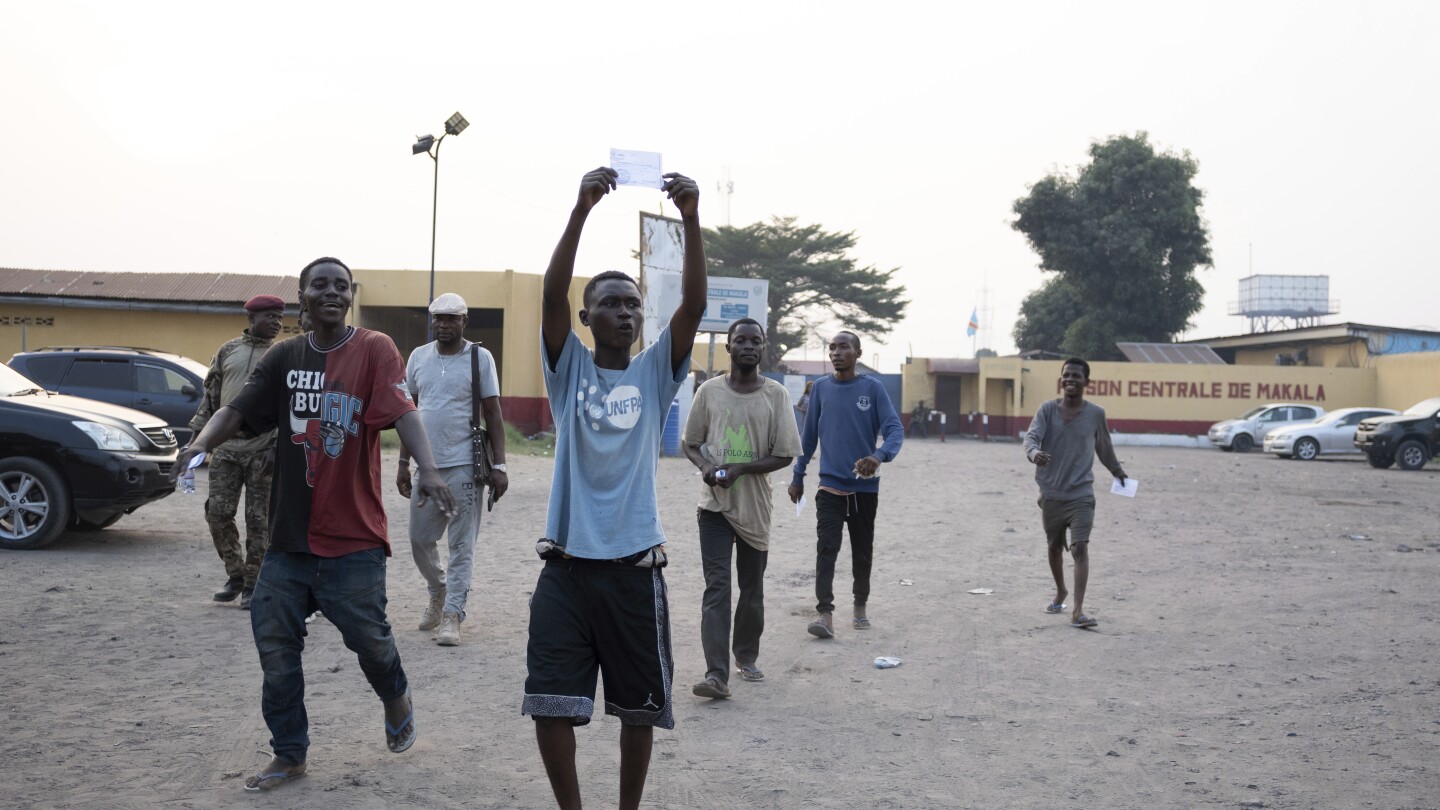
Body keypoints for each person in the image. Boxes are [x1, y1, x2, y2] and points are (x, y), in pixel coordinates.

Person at [172, 257, 456, 792]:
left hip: (353, 542)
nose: (331, 291)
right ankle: (290, 752)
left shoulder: (374, 349)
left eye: (341, 285)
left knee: (371, 644)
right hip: (288, 543)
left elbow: (403, 412)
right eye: (320, 284)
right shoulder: (283, 357)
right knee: (276, 650)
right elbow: (236, 410)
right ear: (301, 296)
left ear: (350, 296)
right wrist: (199, 445)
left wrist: (430, 471)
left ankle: (394, 693)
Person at [525, 167, 705, 810]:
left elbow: (693, 309)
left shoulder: (657, 373)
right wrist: (580, 209)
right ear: (586, 316)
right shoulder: (567, 367)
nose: (624, 312)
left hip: (633, 568)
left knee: (638, 709)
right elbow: (547, 298)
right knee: (550, 699)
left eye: (632, 303)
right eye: (610, 302)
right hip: (567, 568)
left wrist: (688, 219)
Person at [683, 318, 802, 699]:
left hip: (755, 507)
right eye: (740, 341)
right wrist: (706, 468)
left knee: (751, 588)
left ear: (763, 347)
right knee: (717, 588)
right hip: (714, 507)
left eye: (755, 341)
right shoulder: (709, 392)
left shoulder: (776, 395)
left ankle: (745, 655)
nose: (748, 346)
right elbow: (691, 443)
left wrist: (740, 469)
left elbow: (784, 454)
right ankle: (716, 675)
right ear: (729, 348)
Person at [396, 292, 509, 647]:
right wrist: (403, 462)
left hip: (466, 465)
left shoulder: (480, 357)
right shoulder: (418, 357)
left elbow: (493, 412)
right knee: (419, 539)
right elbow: (407, 412)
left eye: (451, 318)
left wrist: (501, 465)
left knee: (461, 545)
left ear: (464, 321)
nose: (443, 324)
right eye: (438, 318)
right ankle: (438, 591)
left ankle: (453, 615)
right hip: (425, 467)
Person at [788, 331, 903, 638]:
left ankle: (860, 605)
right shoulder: (821, 389)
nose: (837, 352)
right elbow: (808, 438)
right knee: (827, 547)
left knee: (862, 550)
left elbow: (894, 432)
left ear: (858, 353)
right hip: (829, 487)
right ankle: (824, 614)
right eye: (833, 348)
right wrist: (798, 476)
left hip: (864, 489)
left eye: (844, 347)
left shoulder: (873, 388)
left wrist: (878, 457)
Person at [190, 294, 285, 609]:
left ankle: (253, 585)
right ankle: (235, 573)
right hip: (226, 448)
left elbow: (289, 406)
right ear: (251, 318)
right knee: (217, 513)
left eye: (279, 317)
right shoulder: (227, 351)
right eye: (269, 316)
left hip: (263, 448)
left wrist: (277, 444)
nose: (276, 322)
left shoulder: (282, 354)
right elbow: (211, 398)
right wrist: (196, 441)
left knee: (259, 520)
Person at [1023, 357, 1127, 629]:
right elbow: (1031, 438)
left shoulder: (1096, 414)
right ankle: (1061, 592)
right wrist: (1034, 454)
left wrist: (1117, 471)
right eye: (1066, 375)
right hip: (1052, 493)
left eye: (1076, 376)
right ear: (1061, 379)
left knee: (1079, 548)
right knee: (1054, 547)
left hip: (1082, 495)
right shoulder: (1047, 410)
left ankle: (1078, 611)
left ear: (1086, 382)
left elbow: (1104, 447)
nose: (1070, 380)